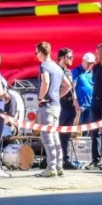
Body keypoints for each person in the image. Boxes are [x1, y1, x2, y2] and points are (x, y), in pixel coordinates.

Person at [34, 41, 65, 178]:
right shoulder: (57, 67)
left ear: (41, 53)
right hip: (56, 105)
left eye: (36, 53)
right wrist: (57, 95)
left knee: (47, 137)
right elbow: (68, 86)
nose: (36, 56)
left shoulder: (44, 66)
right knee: (55, 136)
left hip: (47, 105)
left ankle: (51, 167)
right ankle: (58, 165)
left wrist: (40, 98)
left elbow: (45, 82)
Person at [55, 48, 78, 168]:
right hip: (61, 106)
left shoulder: (69, 72)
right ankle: (56, 160)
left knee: (66, 135)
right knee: (57, 134)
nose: (71, 59)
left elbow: (72, 89)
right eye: (69, 57)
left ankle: (65, 159)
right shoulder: (56, 70)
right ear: (62, 58)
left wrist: (76, 103)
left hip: (70, 106)